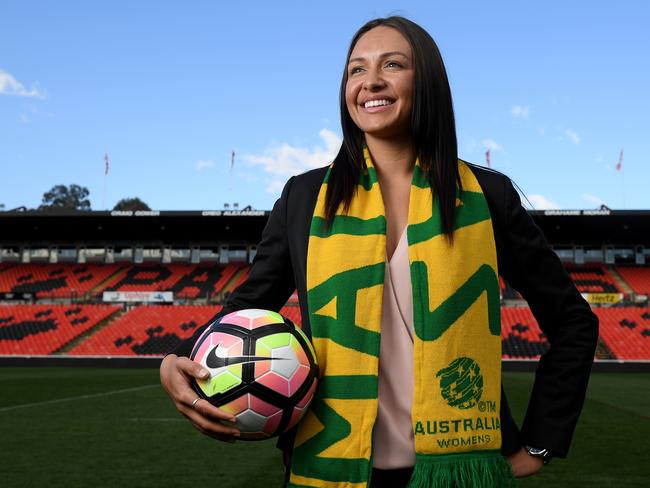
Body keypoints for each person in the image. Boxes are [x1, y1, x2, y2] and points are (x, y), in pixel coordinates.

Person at [160, 16, 599, 488]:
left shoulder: (488, 196)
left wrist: (540, 443)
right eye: (356, 70)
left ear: (427, 81)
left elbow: (573, 321)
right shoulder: (304, 197)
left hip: (458, 472)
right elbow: (247, 307)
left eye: (393, 64)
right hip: (331, 467)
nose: (370, 81)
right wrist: (177, 360)